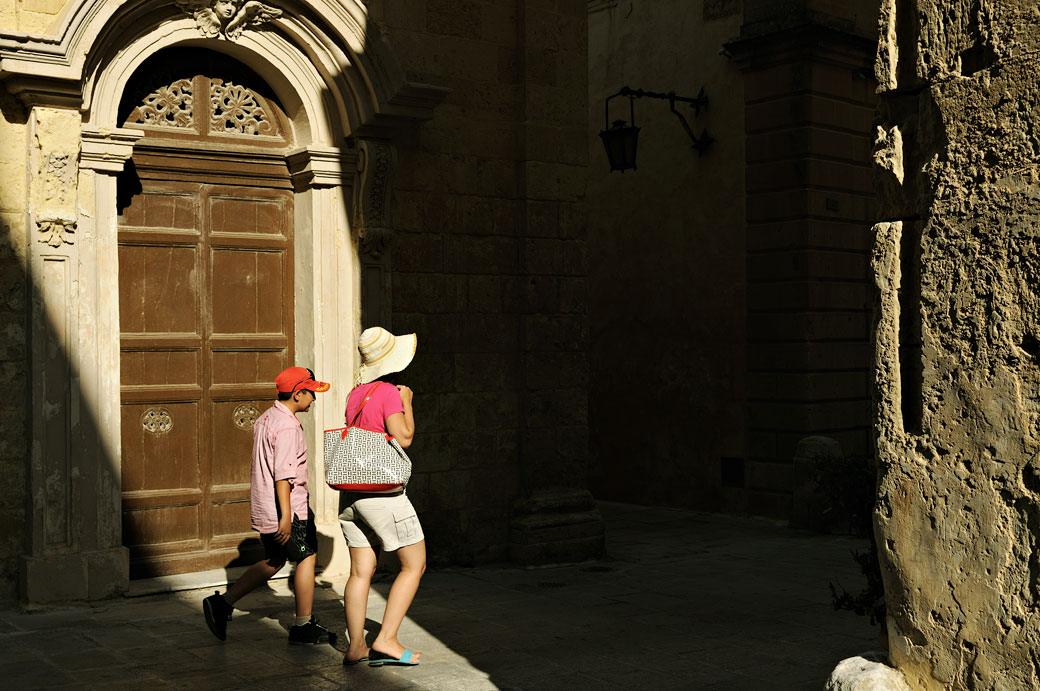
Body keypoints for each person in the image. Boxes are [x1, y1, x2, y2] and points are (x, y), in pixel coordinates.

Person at [202, 366, 334, 645]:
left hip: (267, 506)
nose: (314, 398)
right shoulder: (287, 427)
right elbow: (283, 476)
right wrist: (287, 517)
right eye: (311, 393)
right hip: (290, 510)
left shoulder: (267, 418)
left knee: (275, 560)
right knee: (306, 558)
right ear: (298, 393)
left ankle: (223, 603)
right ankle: (303, 625)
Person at [340, 327, 426, 667]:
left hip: (351, 495)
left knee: (360, 572)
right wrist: (407, 403)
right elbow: (403, 437)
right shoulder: (390, 392)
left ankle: (356, 645)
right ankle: (386, 640)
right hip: (383, 495)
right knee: (414, 564)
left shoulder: (355, 393)